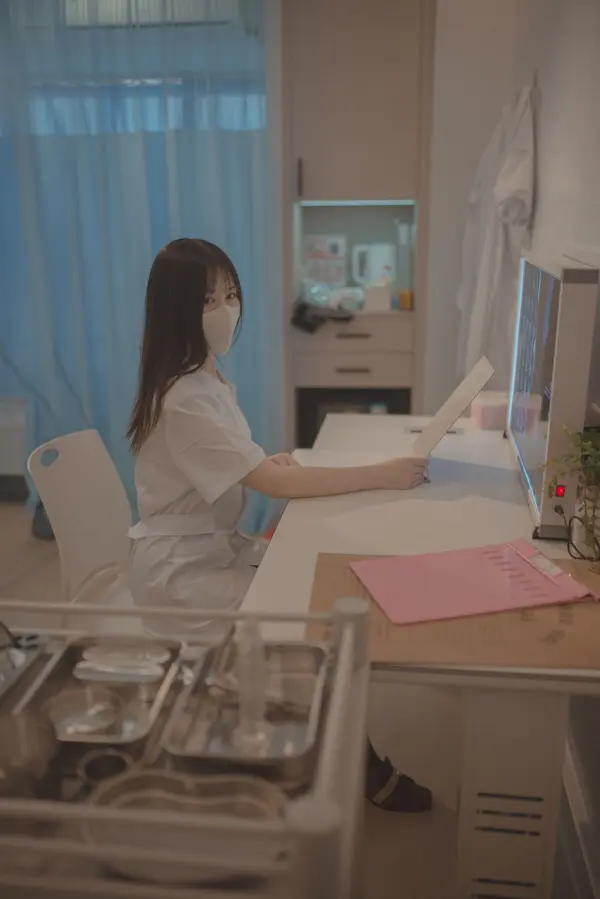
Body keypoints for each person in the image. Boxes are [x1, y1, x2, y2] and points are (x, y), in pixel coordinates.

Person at [127, 238, 432, 813]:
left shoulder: (203, 378)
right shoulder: (185, 397)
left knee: (317, 587)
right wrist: (383, 473)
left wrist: (263, 462)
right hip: (182, 574)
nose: (226, 310)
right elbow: (273, 485)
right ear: (176, 308)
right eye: (208, 300)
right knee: (316, 620)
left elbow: (232, 462)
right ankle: (351, 764)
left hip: (208, 549)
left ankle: (327, 746)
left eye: (231, 295)